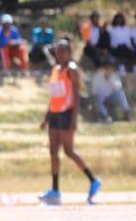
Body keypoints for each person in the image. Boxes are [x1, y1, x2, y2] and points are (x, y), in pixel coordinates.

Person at [39, 38, 100, 205]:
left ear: (69, 53)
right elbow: (54, 96)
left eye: (63, 51)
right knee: (53, 152)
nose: (60, 54)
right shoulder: (55, 70)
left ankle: (93, 180)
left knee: (68, 150)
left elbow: (75, 97)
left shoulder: (71, 70)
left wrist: (74, 119)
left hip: (66, 114)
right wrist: (46, 117)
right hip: (55, 114)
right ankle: (55, 190)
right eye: (58, 51)